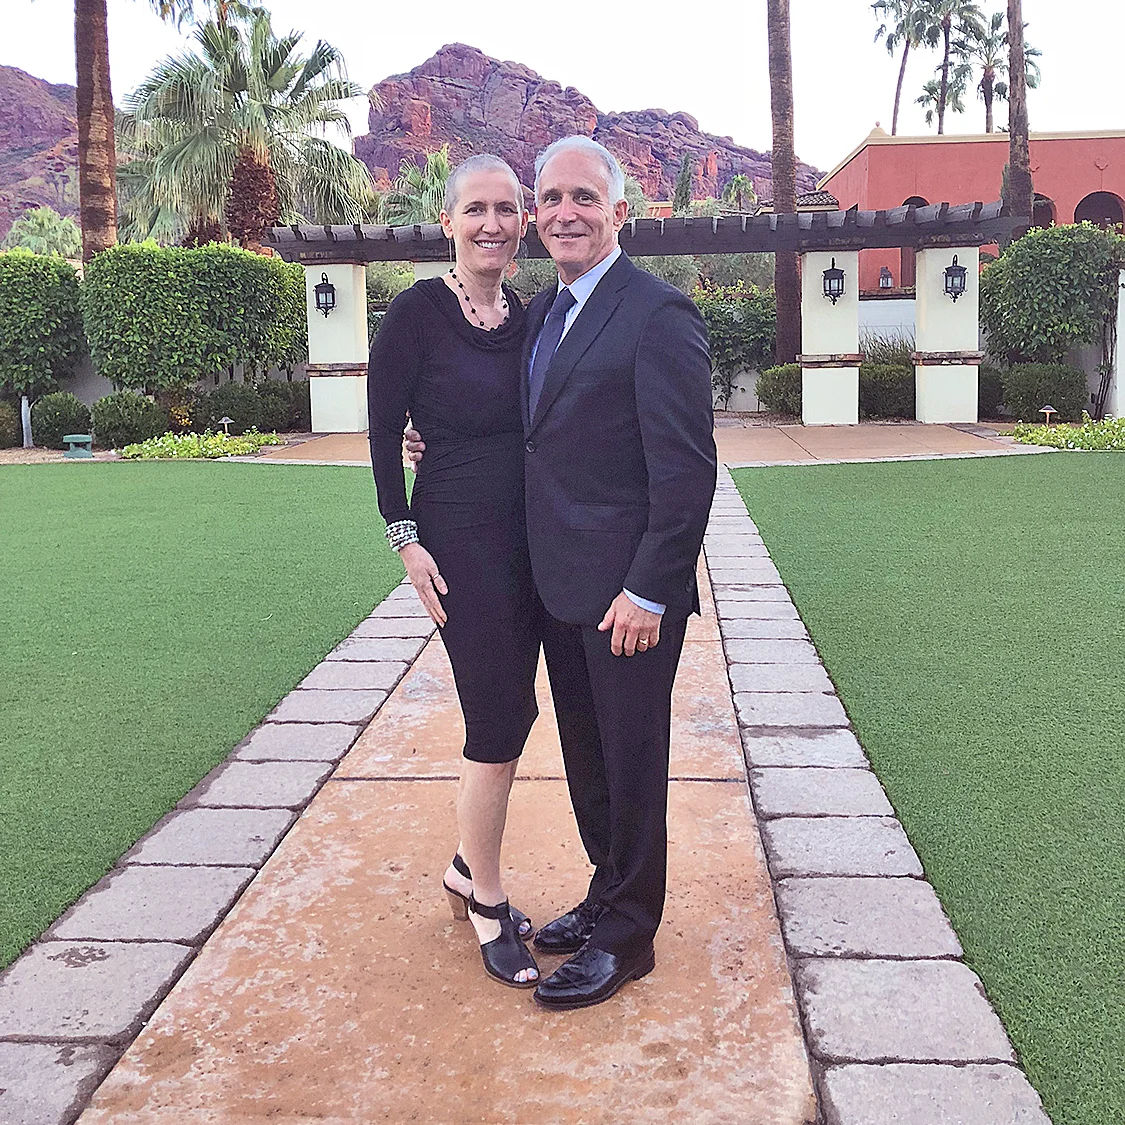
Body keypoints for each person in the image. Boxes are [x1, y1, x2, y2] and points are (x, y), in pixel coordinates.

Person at [409, 136, 717, 1009]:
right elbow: (519, 427)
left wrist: (649, 588)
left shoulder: (657, 314)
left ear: (619, 212)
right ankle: (605, 890)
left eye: (583, 196)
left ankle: (628, 935)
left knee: (631, 762)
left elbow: (687, 470)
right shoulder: (541, 312)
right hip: (557, 585)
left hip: (628, 597)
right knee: (586, 757)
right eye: (550, 197)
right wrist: (428, 436)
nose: (563, 212)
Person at [367, 154, 541, 989]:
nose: (491, 225)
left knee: (518, 707)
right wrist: (405, 540)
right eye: (475, 209)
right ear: (447, 221)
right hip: (456, 544)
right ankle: (487, 900)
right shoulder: (415, 314)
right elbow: (381, 435)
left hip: (529, 539)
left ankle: (466, 864)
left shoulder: (529, 316)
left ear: (523, 223)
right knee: (496, 715)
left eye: (506, 209)